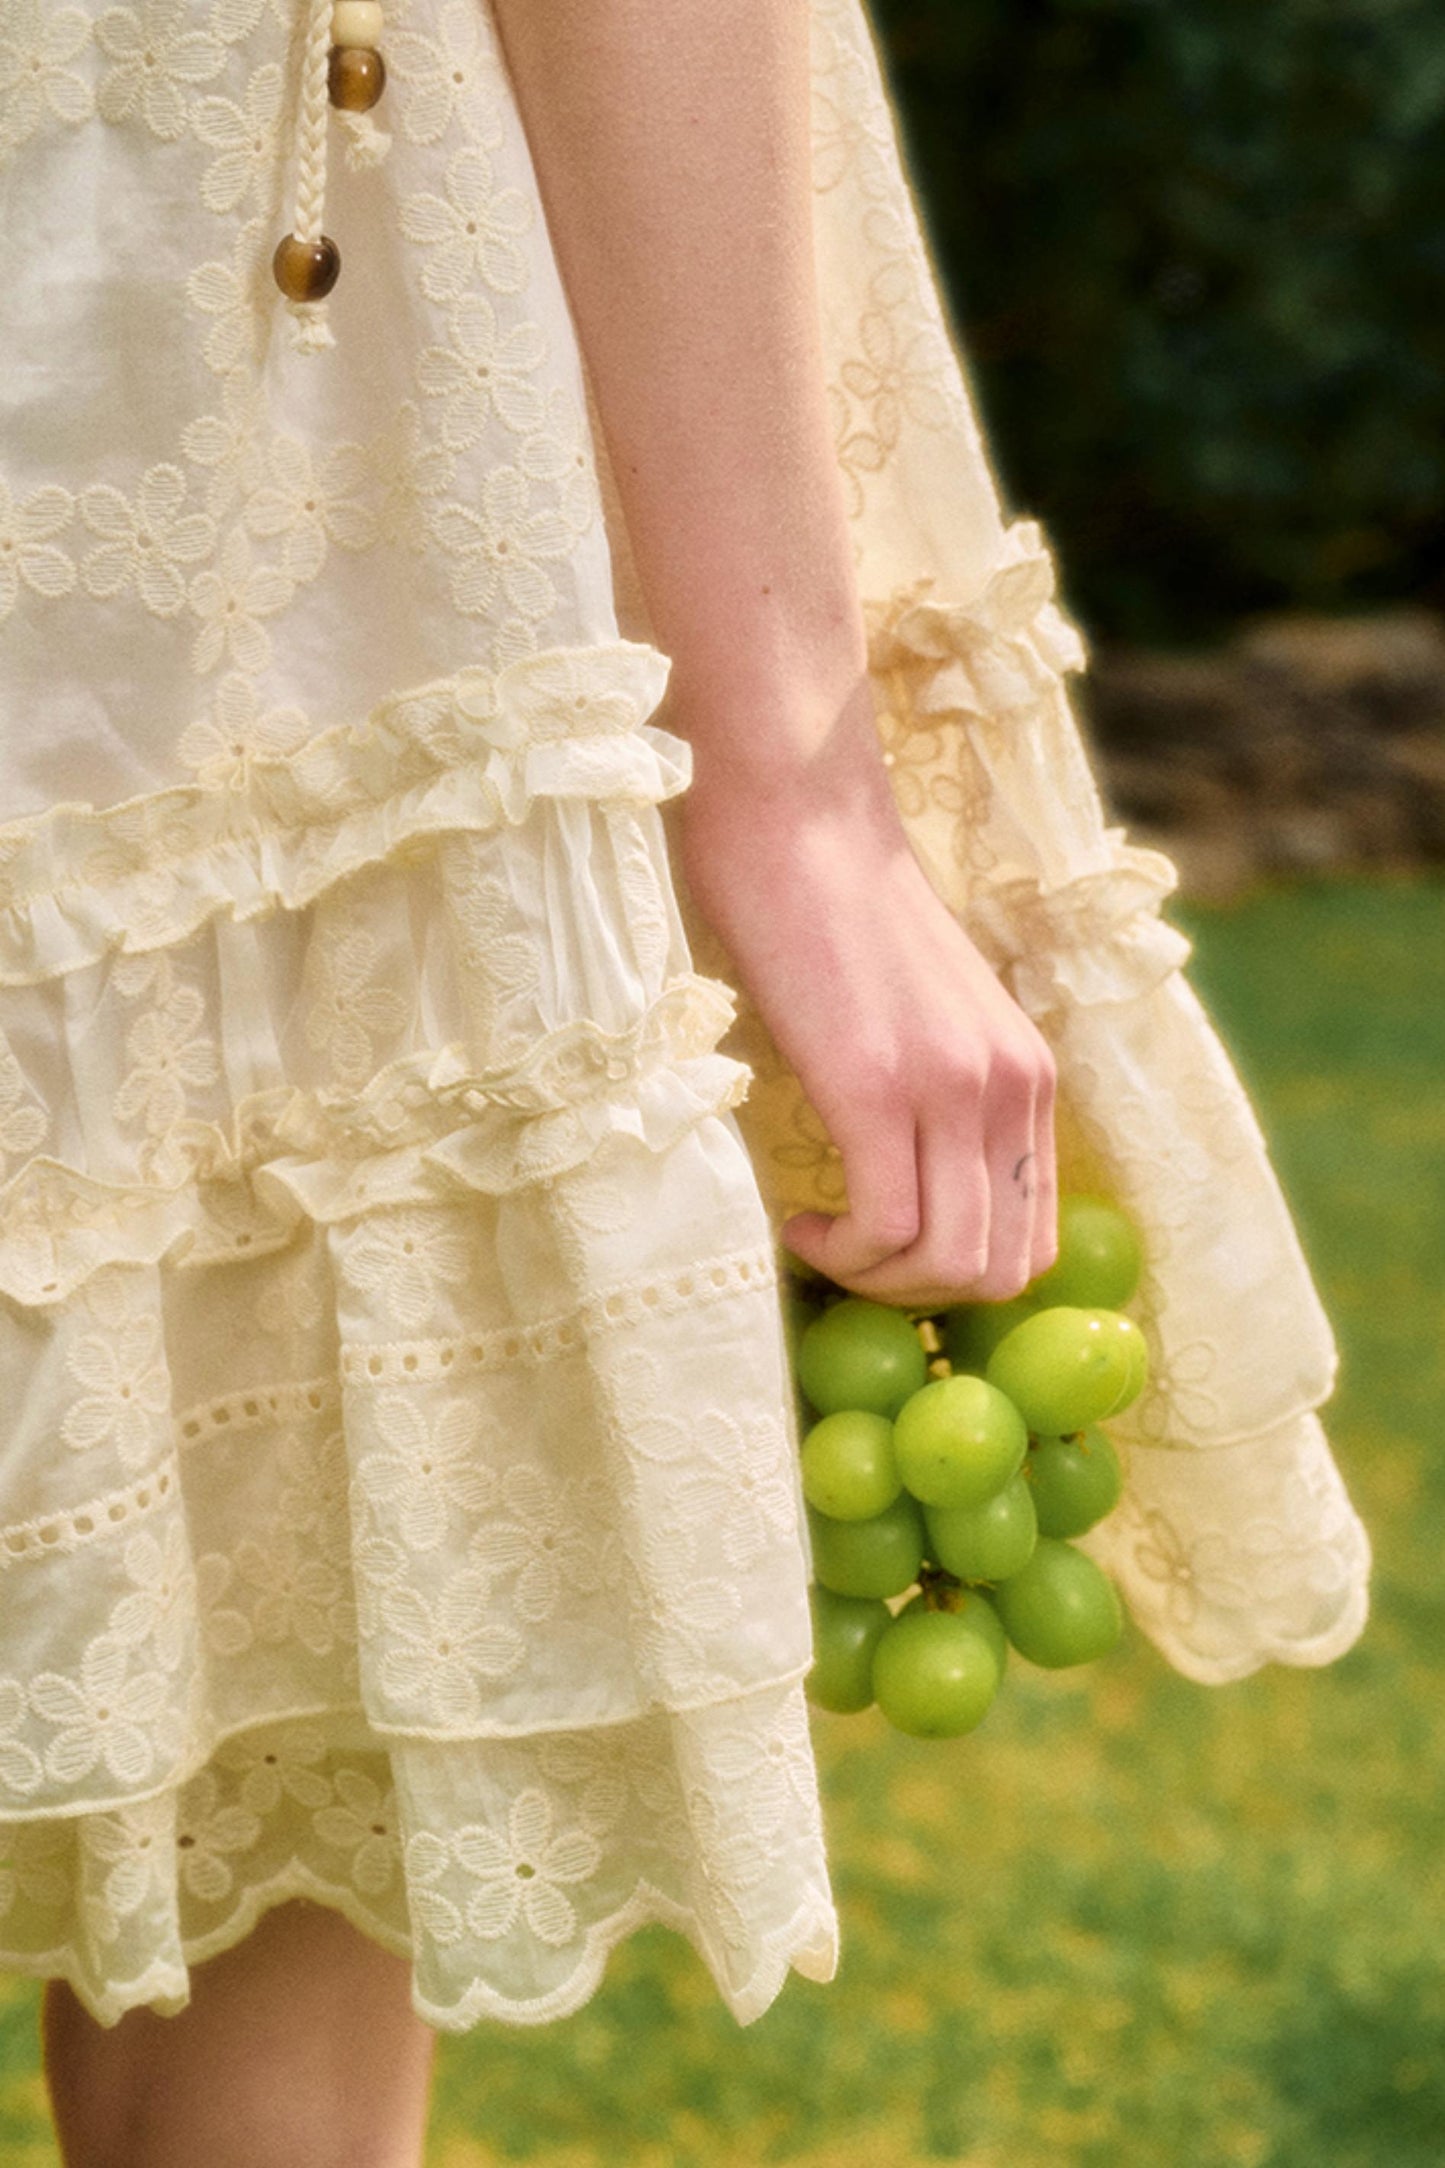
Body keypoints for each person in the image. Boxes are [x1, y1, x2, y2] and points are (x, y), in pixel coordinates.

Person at [2, 0, 1367, 2161]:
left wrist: (794, 782)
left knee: (268, 1720)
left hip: (228, 306)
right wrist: (796, 791)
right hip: (234, 339)